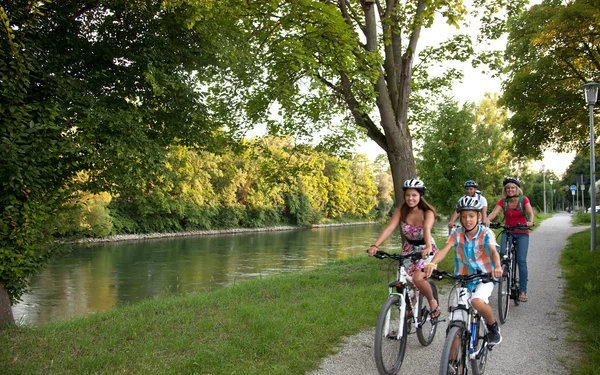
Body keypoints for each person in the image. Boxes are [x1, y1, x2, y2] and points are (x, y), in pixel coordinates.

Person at [424, 196, 503, 345]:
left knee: (477, 301)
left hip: (484, 277)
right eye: (464, 216)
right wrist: (432, 263)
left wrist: (497, 267)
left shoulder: (486, 233)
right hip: (463, 279)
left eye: (472, 216)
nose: (468, 220)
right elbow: (445, 250)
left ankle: (493, 326)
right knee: (456, 320)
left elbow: (493, 251)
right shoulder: (456, 233)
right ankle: (453, 365)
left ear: (479, 216)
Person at [367, 179, 441, 319]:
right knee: (404, 281)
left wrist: (428, 247)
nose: (410, 198)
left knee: (418, 278)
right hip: (409, 248)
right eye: (408, 195)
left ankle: (432, 301)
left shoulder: (427, 212)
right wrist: (375, 245)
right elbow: (390, 228)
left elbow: (426, 229)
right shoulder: (401, 210)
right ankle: (408, 314)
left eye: (414, 195)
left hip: (426, 248)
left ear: (420, 196)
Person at [484, 177, 534, 302]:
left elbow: (530, 212)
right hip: (508, 231)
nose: (510, 190)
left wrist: (530, 221)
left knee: (521, 261)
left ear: (517, 189)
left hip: (522, 232)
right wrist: (488, 220)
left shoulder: (524, 200)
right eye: (508, 188)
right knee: (502, 254)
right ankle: (505, 271)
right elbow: (494, 213)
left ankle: (523, 291)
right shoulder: (503, 202)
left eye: (513, 187)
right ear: (505, 191)